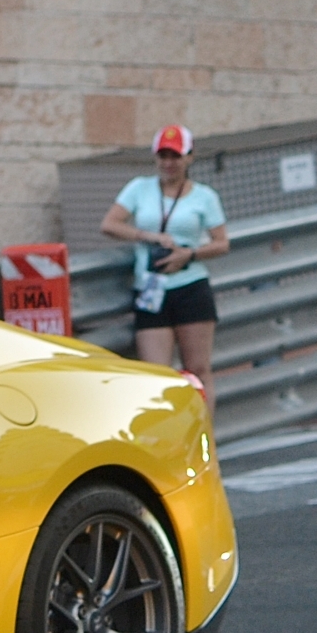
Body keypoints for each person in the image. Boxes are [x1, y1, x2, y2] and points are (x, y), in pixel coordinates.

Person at [100, 125, 229, 416]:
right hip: (151, 287)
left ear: (189, 158)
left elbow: (222, 243)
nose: (169, 163)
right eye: (163, 156)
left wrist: (190, 253)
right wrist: (148, 237)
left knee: (197, 369)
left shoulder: (204, 196)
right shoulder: (139, 188)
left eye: (176, 156)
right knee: (156, 374)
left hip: (190, 286)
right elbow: (109, 224)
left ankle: (203, 434)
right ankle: (166, 440)